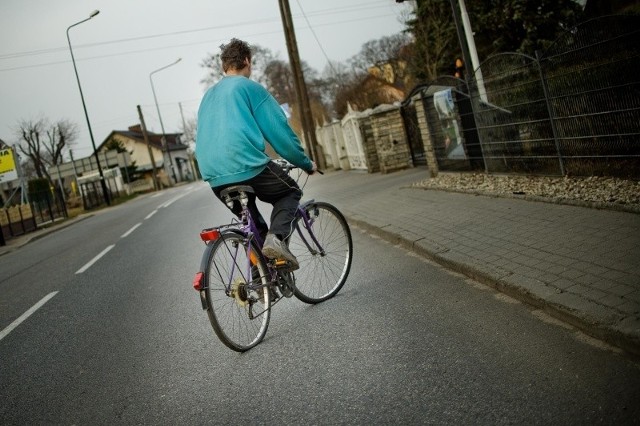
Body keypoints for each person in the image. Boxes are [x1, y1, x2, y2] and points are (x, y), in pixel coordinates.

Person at [195, 38, 317, 271]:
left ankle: (261, 282)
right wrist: (304, 162)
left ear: (224, 66)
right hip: (245, 164)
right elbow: (279, 132)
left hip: (214, 176)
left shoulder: (208, 96)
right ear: (247, 61)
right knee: (290, 192)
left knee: (253, 229)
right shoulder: (247, 87)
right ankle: (277, 240)